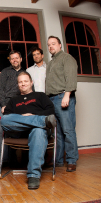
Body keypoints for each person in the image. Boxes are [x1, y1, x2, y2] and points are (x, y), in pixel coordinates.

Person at [0, 71, 55, 190]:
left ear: (31, 82)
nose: (23, 84)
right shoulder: (13, 100)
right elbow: (8, 117)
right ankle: (41, 121)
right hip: (19, 131)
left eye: (25, 81)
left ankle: (34, 175)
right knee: (4, 120)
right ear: (18, 85)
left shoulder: (40, 96)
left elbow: (50, 111)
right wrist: (28, 118)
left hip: (36, 131)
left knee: (39, 131)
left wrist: (31, 115)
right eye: (20, 82)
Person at [46, 36, 78, 172]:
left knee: (68, 130)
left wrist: (67, 94)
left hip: (62, 97)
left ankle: (71, 160)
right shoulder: (51, 62)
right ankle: (58, 160)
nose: (51, 46)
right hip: (52, 99)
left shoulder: (66, 58)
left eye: (53, 44)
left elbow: (71, 77)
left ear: (59, 45)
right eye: (49, 45)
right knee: (57, 132)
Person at [0, 50, 25, 163]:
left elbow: (30, 92)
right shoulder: (5, 72)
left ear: (21, 59)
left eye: (16, 58)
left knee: (17, 131)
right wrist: (3, 105)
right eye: (12, 58)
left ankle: (15, 161)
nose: (14, 60)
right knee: (1, 131)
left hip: (19, 106)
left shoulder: (25, 73)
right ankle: (1, 162)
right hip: (5, 104)